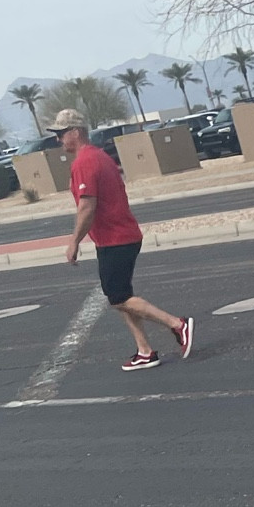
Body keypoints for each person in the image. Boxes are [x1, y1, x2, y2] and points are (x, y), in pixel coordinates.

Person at [49, 109, 193, 372]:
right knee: (121, 295)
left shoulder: (84, 162)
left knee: (118, 297)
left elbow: (87, 206)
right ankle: (145, 351)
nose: (58, 140)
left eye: (60, 134)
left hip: (116, 238)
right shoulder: (100, 156)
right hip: (119, 235)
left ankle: (177, 324)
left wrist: (74, 242)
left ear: (76, 132)